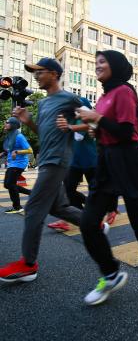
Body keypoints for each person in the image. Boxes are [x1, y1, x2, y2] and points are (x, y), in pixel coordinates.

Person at [77, 50, 138, 305]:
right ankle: (110, 274)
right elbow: (103, 129)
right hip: (106, 161)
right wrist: (92, 127)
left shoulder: (124, 91)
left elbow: (127, 131)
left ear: (116, 65)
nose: (97, 65)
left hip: (128, 160)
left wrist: (96, 118)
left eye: (102, 62)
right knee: (88, 222)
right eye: (95, 62)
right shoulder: (103, 97)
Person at [0, 58, 86, 283]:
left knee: (33, 209)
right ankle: (94, 224)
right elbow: (44, 133)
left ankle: (28, 265)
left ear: (54, 74)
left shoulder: (69, 99)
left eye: (40, 72)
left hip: (58, 160)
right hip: (46, 160)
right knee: (60, 207)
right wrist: (28, 121)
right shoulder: (44, 103)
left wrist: (71, 127)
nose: (36, 76)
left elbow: (93, 120)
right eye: (34, 72)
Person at [47, 97, 119, 232]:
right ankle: (71, 218)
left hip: (91, 161)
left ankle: (110, 209)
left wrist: (70, 127)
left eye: (76, 108)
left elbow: (90, 126)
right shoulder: (70, 120)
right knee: (68, 190)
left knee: (97, 190)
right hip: (74, 161)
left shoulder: (88, 120)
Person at [1, 117, 32, 213]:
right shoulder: (10, 136)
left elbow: (30, 150)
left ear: (13, 125)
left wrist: (17, 152)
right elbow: (11, 149)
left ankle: (17, 207)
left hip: (19, 163)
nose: (5, 124)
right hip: (12, 163)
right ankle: (32, 193)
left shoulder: (19, 136)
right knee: (8, 185)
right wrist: (4, 153)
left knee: (10, 184)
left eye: (8, 123)